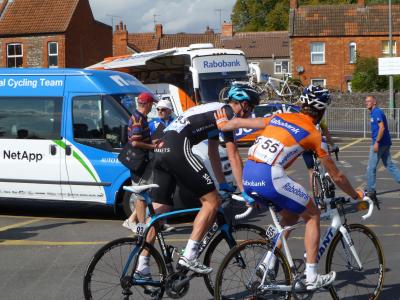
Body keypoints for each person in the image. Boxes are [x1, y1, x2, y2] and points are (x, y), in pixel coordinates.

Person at [215, 85, 363, 290]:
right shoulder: (313, 133)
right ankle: (311, 276)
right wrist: (355, 194)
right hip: (270, 176)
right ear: (321, 111)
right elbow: (337, 176)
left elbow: (241, 122)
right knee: (312, 214)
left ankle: (267, 263)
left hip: (249, 175)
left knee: (291, 216)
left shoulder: (280, 117)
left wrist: (223, 124)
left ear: (302, 105)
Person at [134, 83, 261, 278]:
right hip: (178, 149)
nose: (250, 114)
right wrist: (243, 189)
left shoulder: (214, 110)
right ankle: (190, 255)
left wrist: (224, 184)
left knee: (160, 214)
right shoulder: (227, 113)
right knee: (212, 202)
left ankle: (141, 266)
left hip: (161, 151)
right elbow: (233, 154)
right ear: (243, 104)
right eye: (251, 108)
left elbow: (213, 152)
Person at [122, 92, 157, 231]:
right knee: (141, 196)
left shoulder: (139, 117)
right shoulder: (138, 119)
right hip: (140, 163)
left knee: (142, 195)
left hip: (141, 161)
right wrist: (152, 146)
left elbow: (139, 139)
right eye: (152, 104)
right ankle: (142, 227)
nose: (152, 107)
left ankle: (137, 222)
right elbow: (136, 142)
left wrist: (153, 141)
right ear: (147, 104)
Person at [365, 95, 400, 199]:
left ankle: (371, 191)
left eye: (369, 101)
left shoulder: (376, 112)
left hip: (380, 144)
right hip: (385, 143)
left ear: (374, 102)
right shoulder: (374, 112)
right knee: (390, 165)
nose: (367, 103)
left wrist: (376, 142)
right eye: (366, 101)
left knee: (370, 168)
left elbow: (382, 128)